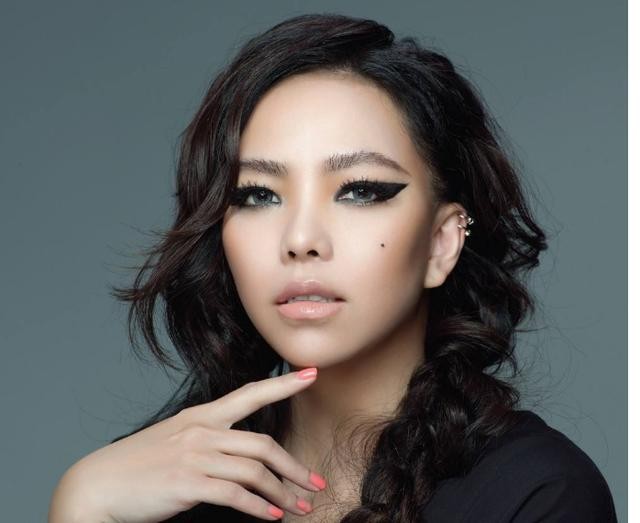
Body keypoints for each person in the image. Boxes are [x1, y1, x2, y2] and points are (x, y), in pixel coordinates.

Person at [48, 12, 618, 523]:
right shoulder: (155, 491)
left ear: (441, 243)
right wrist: (82, 505)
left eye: (360, 191)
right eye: (258, 195)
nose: (300, 240)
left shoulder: (537, 493)